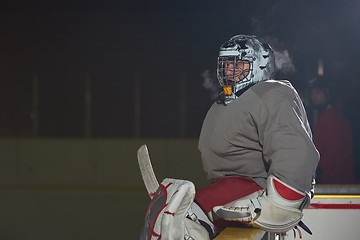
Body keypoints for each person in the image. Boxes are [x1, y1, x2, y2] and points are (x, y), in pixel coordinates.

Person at [140, 35, 319, 240]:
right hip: (227, 190)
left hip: (253, 190)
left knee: (179, 222)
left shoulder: (270, 93)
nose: (230, 72)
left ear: (260, 66)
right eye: (227, 66)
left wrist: (284, 201)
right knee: (165, 220)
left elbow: (294, 150)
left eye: (239, 65)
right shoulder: (223, 103)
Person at [309, 80, 355, 184]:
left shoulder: (326, 117)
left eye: (317, 92)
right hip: (346, 177)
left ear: (327, 94)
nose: (313, 96)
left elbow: (329, 151)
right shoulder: (341, 116)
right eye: (312, 93)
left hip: (331, 178)